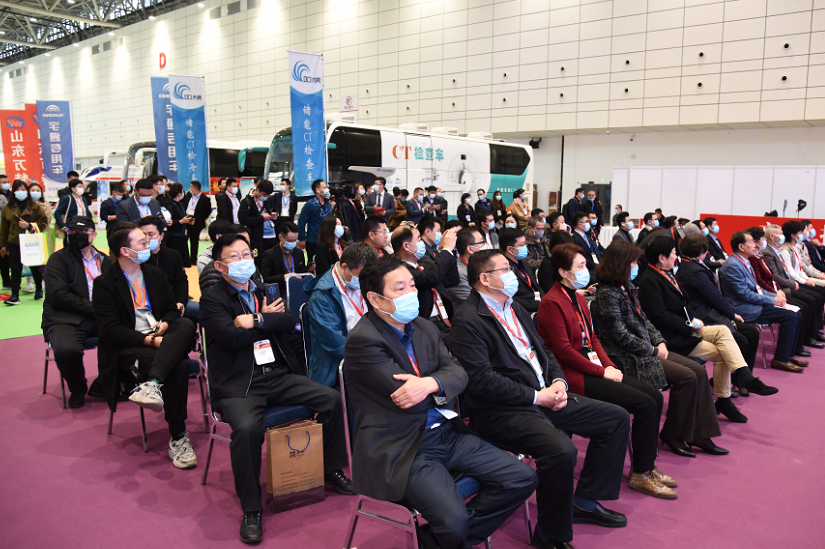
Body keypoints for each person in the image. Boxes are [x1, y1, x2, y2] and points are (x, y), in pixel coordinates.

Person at [344, 256, 538, 549]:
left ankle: (440, 541)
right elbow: (406, 398)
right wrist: (442, 385)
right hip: (404, 446)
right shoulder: (363, 340)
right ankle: (453, 536)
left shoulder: (423, 326)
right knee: (453, 522)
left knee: (522, 477)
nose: (411, 293)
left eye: (412, 285)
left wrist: (431, 383)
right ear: (374, 298)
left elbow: (459, 373)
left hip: (448, 433)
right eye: (400, 289)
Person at [450, 249, 631, 549]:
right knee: (561, 451)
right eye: (504, 269)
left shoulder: (514, 306)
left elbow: (543, 350)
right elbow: (482, 381)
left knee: (615, 418)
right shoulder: (468, 320)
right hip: (503, 411)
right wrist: (537, 396)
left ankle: (584, 502)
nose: (512, 274)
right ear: (484, 279)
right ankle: (549, 534)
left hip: (544, 394)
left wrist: (558, 381)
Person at [200, 234, 352, 543]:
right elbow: (231, 338)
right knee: (247, 429)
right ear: (219, 265)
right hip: (240, 383)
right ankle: (251, 508)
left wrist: (256, 318)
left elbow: (289, 321)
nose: (243, 261)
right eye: (234, 257)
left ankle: (329, 468)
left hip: (278, 375)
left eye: (246, 254)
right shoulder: (212, 299)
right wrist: (267, 321)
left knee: (332, 399)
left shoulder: (263, 288)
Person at [538, 244, 677, 497]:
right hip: (573, 375)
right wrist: (602, 372)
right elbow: (564, 351)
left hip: (592, 366)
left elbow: (593, 339)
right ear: (563, 272)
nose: (586, 271)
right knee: (644, 404)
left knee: (654, 397)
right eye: (580, 266)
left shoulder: (578, 298)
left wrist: (609, 365)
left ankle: (647, 466)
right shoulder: (551, 302)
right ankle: (641, 473)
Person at [591, 240, 725, 458]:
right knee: (687, 377)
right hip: (627, 357)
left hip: (646, 349)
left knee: (699, 371)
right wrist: (653, 350)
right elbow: (620, 336)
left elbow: (645, 321)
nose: (636, 266)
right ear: (620, 264)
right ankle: (674, 434)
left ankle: (699, 433)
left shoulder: (627, 287)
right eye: (632, 262)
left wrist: (660, 342)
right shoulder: (607, 294)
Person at [637, 236, 778, 424]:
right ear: (662, 257)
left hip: (685, 328)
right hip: (671, 336)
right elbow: (659, 316)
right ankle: (731, 392)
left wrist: (694, 320)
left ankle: (741, 378)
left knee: (723, 332)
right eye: (673, 253)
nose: (677, 257)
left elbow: (684, 304)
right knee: (723, 351)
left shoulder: (667, 274)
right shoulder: (650, 280)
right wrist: (690, 326)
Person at [92, 222, 197, 468]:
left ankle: (152, 383)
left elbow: (172, 310)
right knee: (178, 368)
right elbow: (111, 330)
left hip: (161, 338)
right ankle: (179, 436)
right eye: (142, 242)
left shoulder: (154, 274)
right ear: (124, 251)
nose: (148, 245)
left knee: (186, 323)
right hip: (129, 346)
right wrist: (149, 340)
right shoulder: (105, 283)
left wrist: (164, 325)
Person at [42, 216, 111, 408]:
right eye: (72, 231)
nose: (76, 235)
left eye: (82, 232)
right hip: (65, 318)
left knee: (128, 336)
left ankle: (104, 384)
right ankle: (78, 388)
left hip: (100, 317)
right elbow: (59, 295)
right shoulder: (57, 260)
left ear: (94, 235)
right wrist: (97, 309)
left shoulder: (104, 260)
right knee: (67, 350)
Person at [720, 231, 807, 374]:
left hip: (754, 303)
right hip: (743, 308)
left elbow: (756, 288)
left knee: (796, 313)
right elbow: (744, 294)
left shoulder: (744, 261)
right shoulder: (732, 265)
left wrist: (775, 296)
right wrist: (772, 300)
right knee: (791, 316)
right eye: (751, 242)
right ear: (741, 246)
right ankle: (781, 359)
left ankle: (789, 355)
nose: (755, 245)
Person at [676, 233, 761, 375]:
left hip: (708, 312)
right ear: (703, 251)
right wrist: (732, 315)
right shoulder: (694, 271)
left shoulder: (691, 265)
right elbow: (714, 297)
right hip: (704, 316)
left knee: (751, 333)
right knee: (742, 339)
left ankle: (741, 379)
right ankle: (737, 379)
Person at [304, 242, 375, 386]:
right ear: (344, 268)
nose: (364, 281)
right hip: (336, 362)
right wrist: (370, 354)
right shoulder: (322, 295)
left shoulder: (361, 281)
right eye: (359, 276)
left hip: (367, 346)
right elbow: (334, 342)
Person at [758, 225, 825, 350]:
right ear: (772, 236)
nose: (783, 236)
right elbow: (775, 277)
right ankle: (802, 341)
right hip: (782, 287)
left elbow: (800, 269)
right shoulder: (768, 252)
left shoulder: (777, 250)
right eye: (780, 234)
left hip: (786, 285)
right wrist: (792, 284)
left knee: (816, 296)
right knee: (807, 302)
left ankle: (810, 334)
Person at [391, 224, 459, 338]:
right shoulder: (398, 269)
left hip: (445, 318)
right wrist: (446, 250)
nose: (421, 242)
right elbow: (431, 279)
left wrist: (447, 250)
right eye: (418, 239)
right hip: (427, 324)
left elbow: (452, 279)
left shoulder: (423, 263)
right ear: (406, 246)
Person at [136, 216, 196, 322]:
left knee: (205, 311)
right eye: (143, 235)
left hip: (174, 301)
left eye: (151, 234)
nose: (147, 238)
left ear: (161, 236)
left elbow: (181, 280)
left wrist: (181, 301)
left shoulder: (173, 255)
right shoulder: (136, 258)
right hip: (148, 306)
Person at [0, 181, 48, 304]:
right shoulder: (8, 207)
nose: (20, 192)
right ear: (14, 192)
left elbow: (43, 222)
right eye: (18, 189)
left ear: (27, 191)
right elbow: (4, 228)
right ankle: (15, 295)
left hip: (31, 241)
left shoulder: (35, 207)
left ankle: (38, 289)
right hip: (14, 242)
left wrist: (29, 225)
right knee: (15, 269)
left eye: (23, 189)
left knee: (35, 267)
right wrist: (3, 245)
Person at [499, 227, 544, 313]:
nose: (525, 247)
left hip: (537, 303)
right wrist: (537, 305)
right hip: (522, 310)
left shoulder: (525, 262)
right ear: (509, 249)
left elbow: (536, 286)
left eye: (525, 244)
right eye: (521, 245)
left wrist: (544, 299)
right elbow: (510, 298)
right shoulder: (503, 269)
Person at [260, 221, 308, 298]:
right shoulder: (270, 254)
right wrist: (284, 277)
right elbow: (265, 278)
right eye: (290, 240)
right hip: (281, 292)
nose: (293, 243)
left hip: (297, 288)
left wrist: (309, 269)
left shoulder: (299, 252)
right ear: (280, 237)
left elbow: (302, 271)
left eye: (295, 240)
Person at [444, 227, 485, 308]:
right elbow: (476, 302)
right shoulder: (457, 273)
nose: (484, 245)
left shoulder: (480, 264)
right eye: (481, 242)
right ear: (469, 249)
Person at [238, 179, 278, 262]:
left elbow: (275, 210)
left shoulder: (269, 200)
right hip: (257, 237)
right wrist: (261, 218)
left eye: (268, 195)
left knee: (272, 260)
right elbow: (243, 220)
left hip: (271, 235)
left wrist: (274, 216)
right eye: (264, 194)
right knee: (259, 261)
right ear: (258, 190)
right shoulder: (247, 202)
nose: (266, 197)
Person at [297, 179, 332, 259]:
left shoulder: (329, 204)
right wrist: (302, 238)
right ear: (317, 190)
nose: (327, 189)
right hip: (313, 241)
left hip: (328, 240)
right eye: (325, 187)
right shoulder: (310, 204)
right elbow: (301, 222)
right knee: (314, 262)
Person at [181, 180, 211, 265]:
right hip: (186, 220)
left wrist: (199, 218)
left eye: (191, 187)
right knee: (184, 240)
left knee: (194, 241)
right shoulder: (188, 196)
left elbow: (207, 211)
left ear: (195, 188)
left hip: (196, 222)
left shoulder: (205, 199)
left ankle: (193, 259)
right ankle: (185, 258)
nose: (190, 189)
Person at [163, 183, 192, 268]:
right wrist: (180, 221)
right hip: (174, 237)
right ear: (179, 193)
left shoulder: (181, 204)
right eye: (182, 191)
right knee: (174, 262)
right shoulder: (170, 205)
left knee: (183, 262)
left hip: (182, 235)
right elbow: (169, 223)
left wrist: (188, 220)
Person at [571, 212, 603, 282]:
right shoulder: (574, 239)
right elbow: (581, 258)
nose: (588, 224)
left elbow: (594, 252)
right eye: (586, 222)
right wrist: (597, 266)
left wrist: (601, 263)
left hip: (594, 266)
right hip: (586, 269)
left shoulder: (587, 236)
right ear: (579, 224)